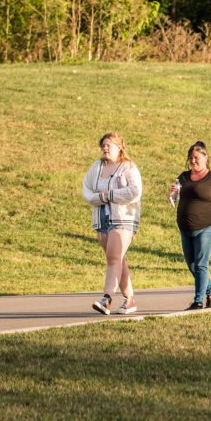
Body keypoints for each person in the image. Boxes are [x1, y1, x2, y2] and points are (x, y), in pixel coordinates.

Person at [169, 142, 211, 310]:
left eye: (197, 158)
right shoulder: (183, 176)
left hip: (208, 226)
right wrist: (172, 193)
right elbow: (175, 196)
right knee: (192, 265)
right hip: (185, 229)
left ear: (205, 158)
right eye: (191, 158)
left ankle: (198, 301)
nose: (193, 161)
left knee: (201, 264)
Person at [82, 132, 142, 315]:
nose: (105, 148)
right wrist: (102, 197)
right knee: (118, 259)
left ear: (119, 147)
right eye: (103, 145)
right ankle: (129, 299)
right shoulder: (97, 166)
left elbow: (135, 192)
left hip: (123, 219)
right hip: (102, 219)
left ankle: (106, 299)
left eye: (109, 145)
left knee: (113, 258)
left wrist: (111, 196)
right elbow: (87, 191)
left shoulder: (128, 167)